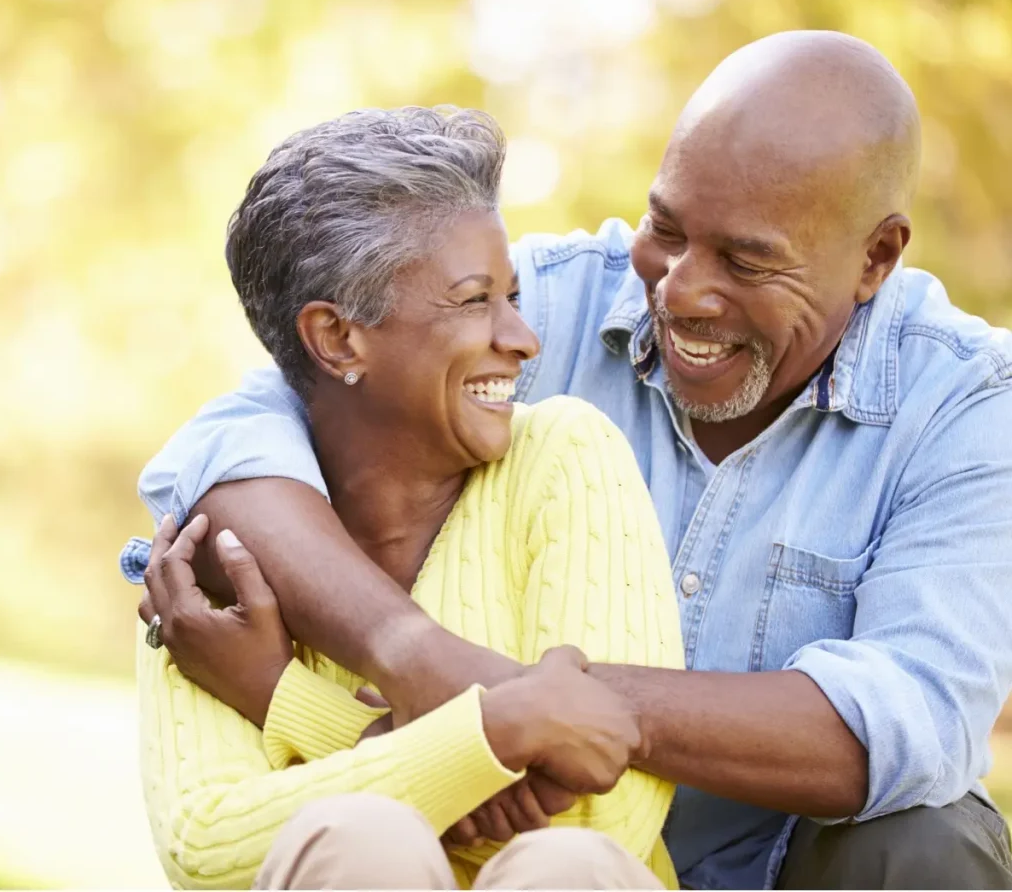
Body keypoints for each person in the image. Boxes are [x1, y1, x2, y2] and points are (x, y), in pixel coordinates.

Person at [125, 30, 1012, 889]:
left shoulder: (967, 403)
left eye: (747, 262)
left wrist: (516, 710)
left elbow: (904, 719)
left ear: (875, 259)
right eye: (667, 228)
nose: (682, 292)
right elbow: (235, 445)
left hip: (771, 865)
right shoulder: (542, 299)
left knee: (930, 843)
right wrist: (418, 659)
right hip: (510, 857)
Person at [123, 106, 685, 889]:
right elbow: (209, 846)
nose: (523, 339)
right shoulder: (214, 554)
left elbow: (604, 815)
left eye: (513, 297)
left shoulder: (566, 455)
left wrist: (285, 700)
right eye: (475, 300)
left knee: (565, 865)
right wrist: (499, 734)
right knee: (358, 841)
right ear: (338, 339)